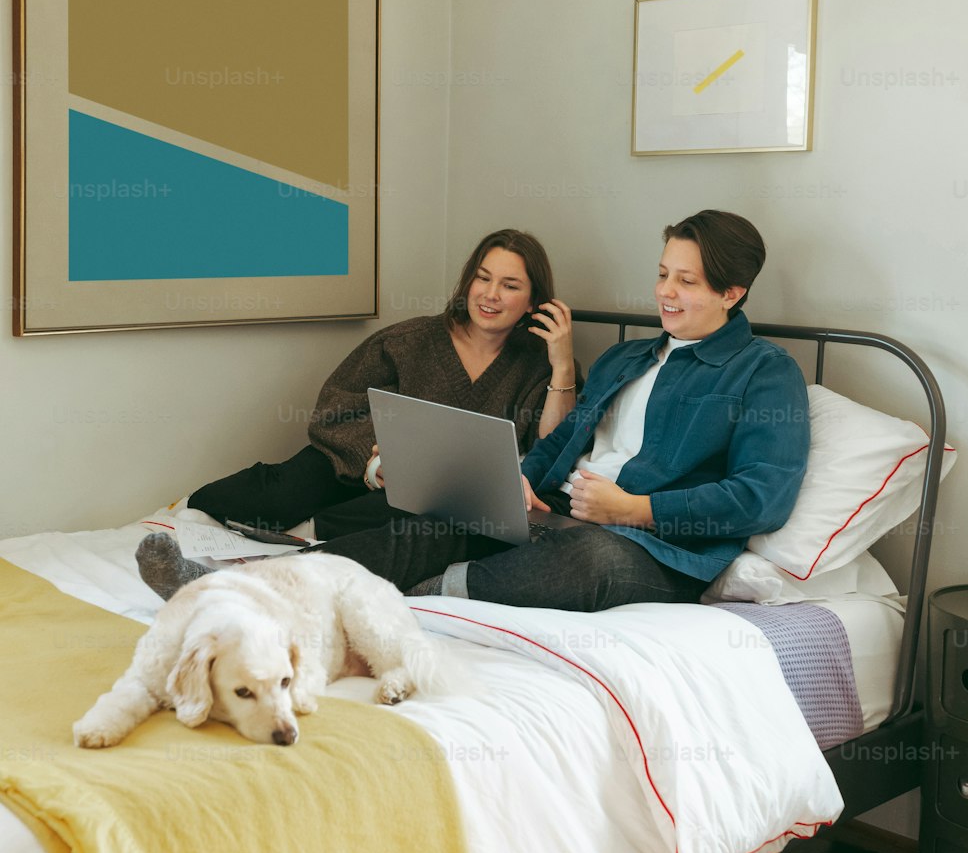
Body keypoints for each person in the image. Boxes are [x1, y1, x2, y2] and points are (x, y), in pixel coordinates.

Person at [142, 211, 809, 614]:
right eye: (663, 273)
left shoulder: (766, 375)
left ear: (733, 290)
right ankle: (239, 591)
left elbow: (761, 499)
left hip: (650, 548)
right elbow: (561, 445)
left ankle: (433, 590)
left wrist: (634, 509)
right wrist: (517, 483)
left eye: (685, 282)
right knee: (431, 518)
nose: (665, 292)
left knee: (593, 560)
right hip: (554, 520)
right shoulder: (629, 361)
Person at [138, 228, 579, 597]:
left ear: (534, 299)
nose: (491, 295)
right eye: (483, 278)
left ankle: (291, 550)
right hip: (353, 466)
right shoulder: (408, 342)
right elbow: (338, 406)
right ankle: (204, 518)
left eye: (510, 285)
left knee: (413, 522)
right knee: (266, 498)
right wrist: (377, 459)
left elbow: (553, 447)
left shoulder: (539, 364)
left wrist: (561, 363)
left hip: (430, 497)